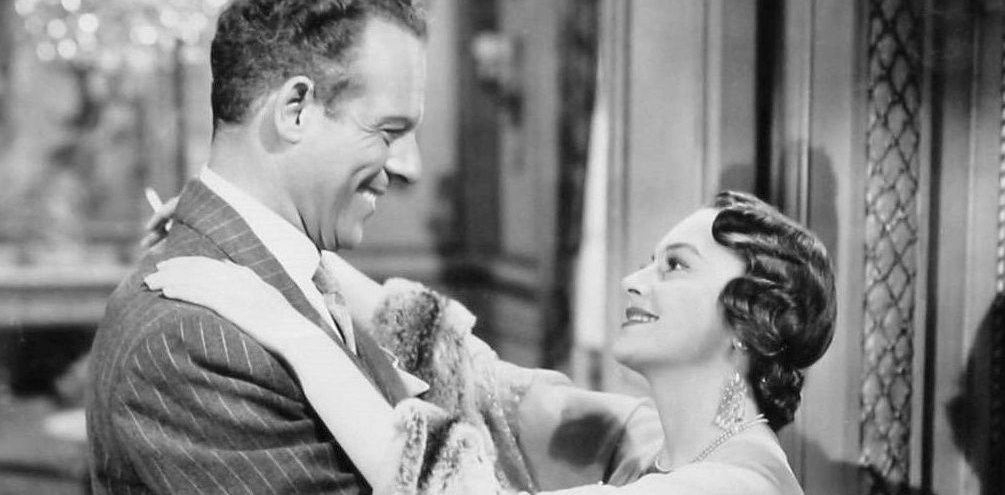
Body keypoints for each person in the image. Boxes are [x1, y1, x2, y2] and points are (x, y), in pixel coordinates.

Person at [145, 190, 837, 494]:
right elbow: (482, 383)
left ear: (752, 320)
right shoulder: (653, 437)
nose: (633, 280)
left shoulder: (733, 485)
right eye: (647, 261)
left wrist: (288, 331)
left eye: (674, 267)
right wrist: (274, 239)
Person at [86, 0, 434, 493]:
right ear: (295, 110)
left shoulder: (294, 277)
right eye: (388, 131)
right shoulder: (192, 339)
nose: (407, 167)